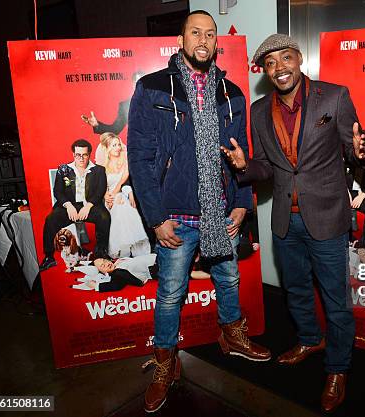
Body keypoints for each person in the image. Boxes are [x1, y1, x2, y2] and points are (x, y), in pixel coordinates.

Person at [127, 10, 271, 413]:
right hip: (174, 214)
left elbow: (241, 154)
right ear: (182, 38)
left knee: (228, 279)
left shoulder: (232, 93)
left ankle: (232, 335)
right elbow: (139, 158)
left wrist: (242, 205)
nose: (204, 39)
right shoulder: (153, 87)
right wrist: (156, 218)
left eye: (210, 33)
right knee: (170, 295)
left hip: (221, 210)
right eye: (196, 32)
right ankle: (165, 364)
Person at [221, 33, 365, 413]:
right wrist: (244, 167)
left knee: (336, 299)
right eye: (270, 64)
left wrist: (361, 154)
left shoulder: (334, 97)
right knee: (296, 289)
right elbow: (269, 169)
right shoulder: (258, 111)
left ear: (299, 58)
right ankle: (309, 338)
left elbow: (356, 155)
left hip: (327, 217)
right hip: (285, 223)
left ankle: (338, 367)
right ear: (265, 70)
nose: (279, 69)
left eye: (285, 59)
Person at [39, 139, 110, 271]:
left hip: (90, 204)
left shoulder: (99, 170)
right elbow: (58, 191)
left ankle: (101, 253)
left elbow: (101, 190)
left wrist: (88, 206)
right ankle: (49, 257)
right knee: (50, 219)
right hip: (68, 205)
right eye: (78, 155)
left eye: (84, 154)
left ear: (89, 154)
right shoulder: (63, 169)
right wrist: (68, 205)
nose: (81, 158)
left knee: (104, 217)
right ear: (73, 154)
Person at [98, 132, 150, 258]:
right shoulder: (103, 165)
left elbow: (123, 180)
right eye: (114, 145)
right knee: (118, 205)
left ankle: (131, 246)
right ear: (108, 149)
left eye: (118, 144)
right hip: (107, 197)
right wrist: (106, 196)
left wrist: (118, 194)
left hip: (120, 193)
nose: (118, 148)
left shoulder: (125, 160)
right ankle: (122, 248)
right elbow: (102, 185)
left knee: (123, 205)